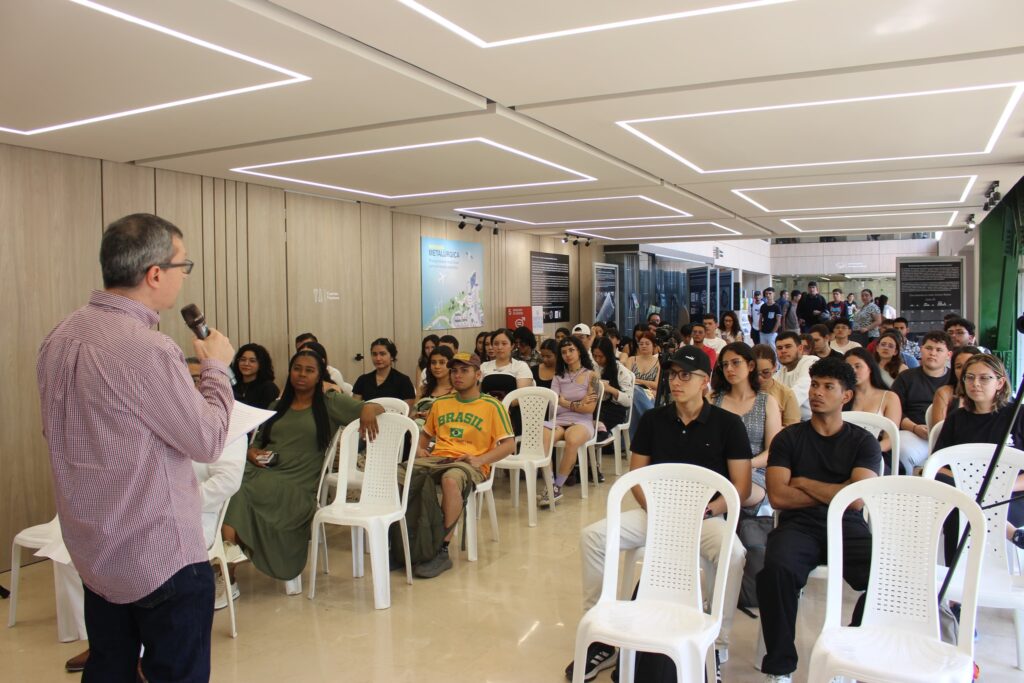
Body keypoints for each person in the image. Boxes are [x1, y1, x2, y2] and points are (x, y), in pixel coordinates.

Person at [37, 213, 236, 682]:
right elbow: (207, 441)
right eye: (182, 267)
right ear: (154, 274)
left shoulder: (58, 338)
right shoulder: (149, 349)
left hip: (94, 549)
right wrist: (216, 371)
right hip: (158, 552)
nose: (182, 279)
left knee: (110, 668)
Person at [567, 346, 751, 682]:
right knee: (593, 536)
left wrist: (709, 510)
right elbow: (637, 477)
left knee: (734, 553)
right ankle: (600, 633)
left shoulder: (728, 424)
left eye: (686, 375)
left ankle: (717, 642)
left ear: (705, 382)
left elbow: (740, 486)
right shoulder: (654, 419)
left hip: (705, 518)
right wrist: (660, 512)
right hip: (657, 515)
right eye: (672, 374)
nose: (676, 382)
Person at [757, 357, 881, 682]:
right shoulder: (788, 438)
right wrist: (838, 489)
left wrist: (804, 482)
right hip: (799, 525)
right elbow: (779, 497)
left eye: (828, 387)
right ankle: (780, 667)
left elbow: (855, 500)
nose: (817, 393)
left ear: (846, 396)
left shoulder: (863, 441)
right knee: (776, 571)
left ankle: (849, 657)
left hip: (847, 525)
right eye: (814, 385)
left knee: (888, 578)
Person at [223, 350, 382, 593]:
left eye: (309, 370)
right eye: (297, 368)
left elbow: (376, 408)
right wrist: (251, 453)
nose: (302, 375)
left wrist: (369, 410)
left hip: (296, 485)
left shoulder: (330, 403)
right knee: (225, 480)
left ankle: (226, 573)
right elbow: (257, 443)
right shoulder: (278, 405)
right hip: (264, 471)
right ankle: (226, 557)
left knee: (235, 488)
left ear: (319, 376)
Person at [412, 352, 516, 578]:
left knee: (451, 480)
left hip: (470, 463)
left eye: (464, 370)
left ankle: (441, 549)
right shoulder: (440, 404)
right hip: (438, 459)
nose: (457, 375)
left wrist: (481, 459)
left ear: (478, 375)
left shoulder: (491, 406)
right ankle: (407, 546)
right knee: (403, 476)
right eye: (454, 370)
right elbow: (425, 436)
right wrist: (420, 450)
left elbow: (509, 445)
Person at [933, 353, 1024, 551]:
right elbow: (938, 467)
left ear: (1000, 383)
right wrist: (973, 485)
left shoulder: (1019, 415)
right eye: (970, 377)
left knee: (967, 509)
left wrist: (998, 487)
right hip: (965, 492)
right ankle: (1009, 534)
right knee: (958, 506)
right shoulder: (957, 418)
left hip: (1011, 495)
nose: (976, 383)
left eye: (984, 378)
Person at [711, 342, 782, 512]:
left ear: (750, 365)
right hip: (717, 469)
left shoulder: (767, 402)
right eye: (725, 365)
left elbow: (772, 451)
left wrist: (744, 464)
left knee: (736, 492)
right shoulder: (713, 400)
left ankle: (709, 512)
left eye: (735, 362)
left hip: (755, 472)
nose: (729, 369)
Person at [540, 336, 599, 506]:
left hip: (583, 421)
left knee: (572, 439)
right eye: (564, 352)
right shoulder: (558, 377)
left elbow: (589, 409)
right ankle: (550, 484)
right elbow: (553, 403)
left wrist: (566, 402)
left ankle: (558, 486)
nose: (568, 354)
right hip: (559, 419)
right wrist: (578, 403)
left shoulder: (592, 376)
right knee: (544, 435)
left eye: (571, 350)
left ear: (579, 351)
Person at [891, 330, 952, 474]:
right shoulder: (905, 377)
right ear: (921, 350)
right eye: (928, 348)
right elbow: (895, 411)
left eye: (939, 350)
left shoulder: (954, 380)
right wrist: (914, 428)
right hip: (913, 431)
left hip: (947, 435)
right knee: (901, 451)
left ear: (948, 355)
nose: (933, 353)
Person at [844, 348, 902, 470]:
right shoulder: (842, 397)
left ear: (870, 368)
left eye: (858, 366)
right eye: (848, 367)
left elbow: (890, 439)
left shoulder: (889, 397)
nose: (853, 371)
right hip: (844, 452)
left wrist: (866, 452)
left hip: (876, 452)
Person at [352, 338, 416, 407]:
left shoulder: (403, 381)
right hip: (367, 417)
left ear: (392, 356)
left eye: (382, 354)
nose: (378, 358)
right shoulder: (362, 380)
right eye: (374, 354)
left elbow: (407, 410)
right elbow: (354, 408)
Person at [591, 335, 634, 436]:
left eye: (601, 356)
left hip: (614, 409)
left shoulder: (620, 370)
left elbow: (628, 401)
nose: (597, 359)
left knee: (592, 424)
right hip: (595, 405)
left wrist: (610, 389)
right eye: (594, 355)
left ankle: (603, 435)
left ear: (609, 355)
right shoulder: (592, 367)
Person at [752, 344, 802, 427]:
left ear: (774, 367)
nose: (759, 378)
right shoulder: (741, 389)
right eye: (754, 374)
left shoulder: (786, 394)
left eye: (765, 373)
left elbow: (792, 430)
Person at [480, 328, 535, 401]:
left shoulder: (520, 366)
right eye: (496, 344)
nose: (500, 347)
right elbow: (477, 392)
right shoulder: (484, 366)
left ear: (512, 346)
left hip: (511, 408)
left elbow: (522, 396)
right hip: (487, 408)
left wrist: (501, 407)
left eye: (504, 343)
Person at [931, 345, 982, 421]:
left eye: (969, 365)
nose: (964, 370)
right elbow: (939, 431)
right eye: (959, 367)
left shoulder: (989, 394)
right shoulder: (944, 393)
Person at [775, 331, 817, 421]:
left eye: (788, 346)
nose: (783, 351)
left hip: (814, 421)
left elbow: (795, 397)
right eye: (779, 348)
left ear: (800, 349)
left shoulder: (811, 362)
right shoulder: (779, 374)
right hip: (791, 421)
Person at [413, 345, 454, 424]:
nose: (437, 366)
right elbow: (412, 414)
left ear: (450, 365)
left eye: (442, 362)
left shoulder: (456, 391)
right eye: (433, 362)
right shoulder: (423, 389)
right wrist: (417, 415)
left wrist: (434, 415)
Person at [231, 343, 279, 409]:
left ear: (261, 364)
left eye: (252, 361)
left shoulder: (268, 388)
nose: (246, 364)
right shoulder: (232, 385)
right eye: (243, 359)